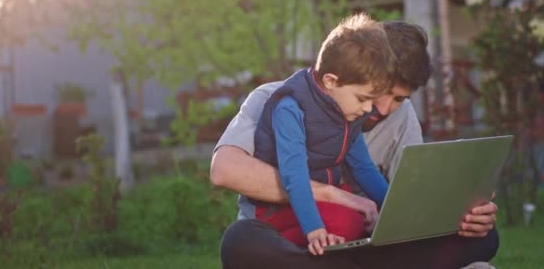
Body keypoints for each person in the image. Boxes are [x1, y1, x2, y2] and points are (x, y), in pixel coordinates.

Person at [210, 20, 500, 269]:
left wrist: (463, 211)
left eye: (399, 98)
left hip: (364, 243)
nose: (384, 108)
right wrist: (333, 195)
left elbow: (407, 202)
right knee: (240, 241)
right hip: (286, 238)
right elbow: (224, 170)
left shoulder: (397, 117)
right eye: (379, 93)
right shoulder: (277, 99)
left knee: (485, 237)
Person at [251, 14, 394, 255]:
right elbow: (294, 177)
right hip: (280, 207)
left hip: (325, 200)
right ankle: (279, 250)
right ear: (330, 81)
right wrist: (315, 229)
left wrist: (396, 210)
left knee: (368, 217)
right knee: (350, 223)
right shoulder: (291, 107)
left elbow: (363, 168)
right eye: (363, 99)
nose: (369, 109)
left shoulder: (350, 112)